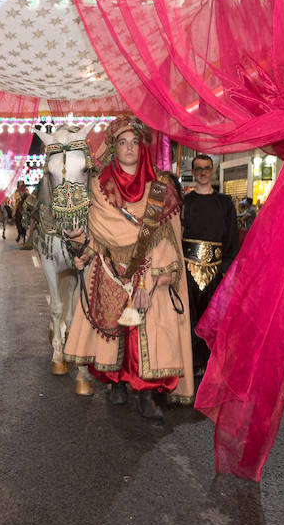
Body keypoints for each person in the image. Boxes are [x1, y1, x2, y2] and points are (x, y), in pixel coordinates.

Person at [63, 116, 194, 419]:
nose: (129, 148)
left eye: (135, 142)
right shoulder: (98, 187)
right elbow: (96, 232)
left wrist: (156, 280)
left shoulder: (161, 187)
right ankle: (116, 385)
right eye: (122, 142)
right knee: (113, 331)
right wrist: (83, 250)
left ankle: (146, 394)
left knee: (148, 335)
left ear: (143, 147)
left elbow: (167, 238)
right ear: (113, 148)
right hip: (110, 270)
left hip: (149, 273)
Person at [181, 154, 239, 378]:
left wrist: (227, 268)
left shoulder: (225, 204)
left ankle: (211, 362)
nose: (203, 172)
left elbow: (232, 238)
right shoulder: (186, 203)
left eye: (207, 168)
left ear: (212, 171)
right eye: (199, 169)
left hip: (217, 270)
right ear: (194, 172)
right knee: (191, 317)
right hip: (188, 269)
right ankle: (193, 361)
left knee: (214, 317)